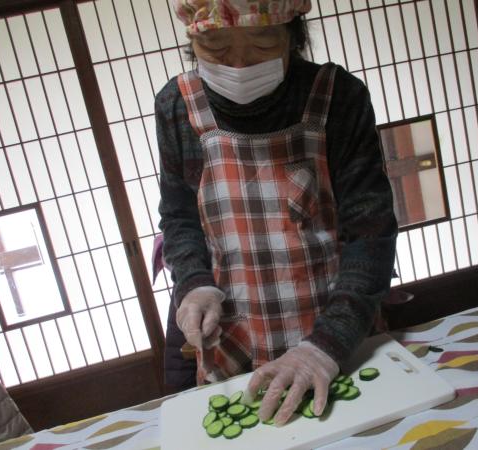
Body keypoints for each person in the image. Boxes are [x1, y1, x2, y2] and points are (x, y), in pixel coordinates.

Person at [156, 0, 397, 426]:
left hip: (335, 333)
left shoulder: (338, 96)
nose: (239, 63)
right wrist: (194, 283)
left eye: (262, 40)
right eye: (216, 45)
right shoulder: (178, 105)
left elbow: (370, 232)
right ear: (193, 39)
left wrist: (325, 345)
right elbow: (179, 216)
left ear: (293, 33)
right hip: (236, 337)